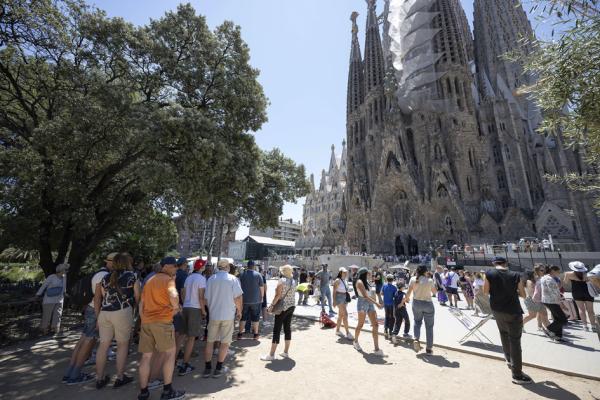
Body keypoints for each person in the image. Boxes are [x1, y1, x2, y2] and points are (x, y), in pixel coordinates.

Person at [62, 254, 114, 385]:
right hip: (96, 311)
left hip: (90, 309)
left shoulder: (98, 273)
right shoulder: (104, 276)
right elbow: (99, 299)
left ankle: (70, 372)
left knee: (83, 339)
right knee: (89, 341)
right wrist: (99, 317)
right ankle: (75, 375)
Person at [137, 256, 185, 400]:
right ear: (168, 267)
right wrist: (176, 308)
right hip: (163, 321)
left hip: (147, 322)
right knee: (170, 354)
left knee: (146, 357)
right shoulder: (168, 280)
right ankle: (167, 391)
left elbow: (141, 303)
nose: (176, 269)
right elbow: (173, 294)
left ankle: (144, 392)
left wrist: (143, 319)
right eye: (175, 266)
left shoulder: (150, 280)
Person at [484, 256, 532, 385]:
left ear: (494, 264)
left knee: (503, 333)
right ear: (506, 264)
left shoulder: (489, 273)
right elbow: (523, 295)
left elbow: (485, 291)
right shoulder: (515, 275)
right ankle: (517, 375)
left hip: (497, 309)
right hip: (513, 310)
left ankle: (509, 359)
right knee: (515, 341)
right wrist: (511, 292)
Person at [95, 253, 140, 389]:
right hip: (122, 312)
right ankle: (120, 377)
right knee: (122, 345)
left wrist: (98, 317)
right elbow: (138, 297)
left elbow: (102, 297)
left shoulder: (105, 277)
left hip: (105, 313)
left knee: (103, 346)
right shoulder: (132, 276)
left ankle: (99, 378)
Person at [203, 260, 243, 378]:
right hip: (227, 315)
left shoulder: (211, 279)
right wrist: (239, 311)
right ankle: (218, 368)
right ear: (227, 267)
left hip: (214, 315)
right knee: (225, 343)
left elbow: (205, 299)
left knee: (210, 342)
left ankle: (207, 368)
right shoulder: (232, 279)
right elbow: (238, 298)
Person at [261, 265, 297, 361]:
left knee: (277, 329)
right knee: (287, 328)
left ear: (283, 272)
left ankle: (271, 355)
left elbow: (278, 295)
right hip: (291, 306)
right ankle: (285, 352)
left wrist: (271, 306)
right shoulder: (294, 281)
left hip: (282, 308)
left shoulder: (281, 281)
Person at [178, 258, 207, 376]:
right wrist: (204, 311)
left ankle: (174, 360)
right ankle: (185, 364)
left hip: (186, 307)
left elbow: (182, 293)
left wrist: (185, 303)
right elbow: (201, 297)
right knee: (191, 338)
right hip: (195, 308)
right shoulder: (201, 279)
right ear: (201, 267)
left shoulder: (188, 277)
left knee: (181, 336)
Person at [352, 268, 385, 356]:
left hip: (369, 302)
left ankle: (376, 348)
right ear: (364, 274)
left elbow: (370, 294)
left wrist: (376, 302)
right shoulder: (359, 282)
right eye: (368, 273)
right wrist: (377, 303)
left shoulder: (366, 281)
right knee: (360, 324)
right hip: (362, 303)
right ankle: (355, 341)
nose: (370, 274)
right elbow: (365, 296)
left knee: (375, 325)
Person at [405, 265, 437, 354]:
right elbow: (435, 292)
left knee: (417, 322)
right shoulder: (430, 280)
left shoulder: (413, 279)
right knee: (429, 327)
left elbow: (408, 292)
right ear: (425, 271)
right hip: (427, 303)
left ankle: (416, 338)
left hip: (416, 303)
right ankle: (429, 348)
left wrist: (406, 299)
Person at [36, 263, 68, 336]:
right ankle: (44, 330)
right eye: (65, 270)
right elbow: (44, 286)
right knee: (47, 315)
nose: (67, 271)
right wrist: (38, 294)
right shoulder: (51, 277)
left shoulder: (64, 277)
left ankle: (55, 330)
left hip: (59, 299)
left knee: (58, 315)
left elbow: (64, 287)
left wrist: (65, 293)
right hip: (49, 300)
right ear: (61, 270)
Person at [564, 261, 596, 332]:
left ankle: (585, 326)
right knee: (590, 311)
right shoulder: (587, 275)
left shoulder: (568, 274)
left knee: (581, 310)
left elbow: (566, 282)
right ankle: (593, 326)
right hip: (588, 292)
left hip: (577, 292)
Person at [541, 265, 568, 342]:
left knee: (558, 319)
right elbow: (554, 292)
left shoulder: (545, 277)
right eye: (558, 271)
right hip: (552, 301)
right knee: (563, 320)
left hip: (548, 301)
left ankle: (558, 337)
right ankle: (548, 330)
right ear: (553, 270)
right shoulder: (549, 279)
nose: (559, 273)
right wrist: (560, 302)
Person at [238, 260, 265, 340]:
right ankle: (256, 335)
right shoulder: (258, 275)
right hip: (256, 300)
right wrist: (262, 297)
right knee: (256, 318)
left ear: (247, 266)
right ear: (254, 266)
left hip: (244, 300)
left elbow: (239, 287)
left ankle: (240, 334)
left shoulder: (242, 275)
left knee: (243, 318)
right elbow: (261, 288)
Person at [173, 257, 189, 358]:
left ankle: (174, 351)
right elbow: (183, 291)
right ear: (184, 264)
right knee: (180, 332)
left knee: (174, 330)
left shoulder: (174, 273)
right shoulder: (183, 274)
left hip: (171, 304)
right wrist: (184, 303)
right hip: (179, 305)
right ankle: (176, 353)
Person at [332, 267, 353, 340]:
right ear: (340, 272)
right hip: (339, 298)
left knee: (341, 315)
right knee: (345, 315)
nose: (345, 273)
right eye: (344, 272)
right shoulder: (337, 280)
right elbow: (334, 291)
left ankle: (337, 330)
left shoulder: (345, 280)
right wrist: (334, 301)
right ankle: (348, 333)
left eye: (346, 272)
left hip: (344, 298)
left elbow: (345, 289)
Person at [381, 275, 397, 340]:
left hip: (385, 303)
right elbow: (395, 296)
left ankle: (385, 330)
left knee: (386, 316)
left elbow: (381, 293)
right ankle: (390, 332)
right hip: (391, 304)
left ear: (387, 279)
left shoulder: (384, 286)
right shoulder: (394, 287)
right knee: (392, 317)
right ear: (392, 280)